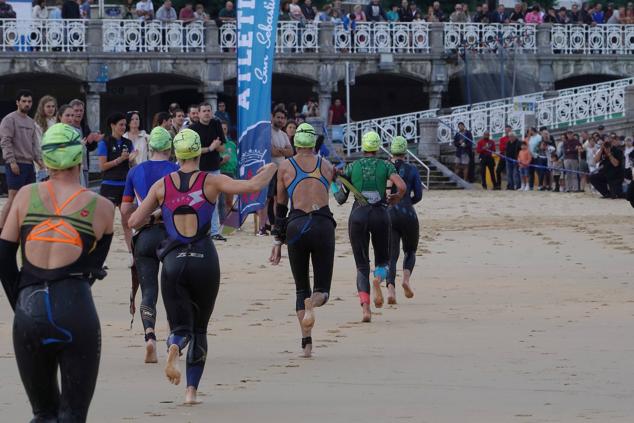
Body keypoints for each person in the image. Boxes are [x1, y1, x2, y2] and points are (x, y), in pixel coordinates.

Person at [128, 129, 277, 405]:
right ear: (198, 152)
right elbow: (252, 187)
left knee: (181, 327)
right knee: (200, 329)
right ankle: (191, 391)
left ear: (176, 153)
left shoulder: (161, 185)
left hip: (173, 261)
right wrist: (271, 167)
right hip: (204, 258)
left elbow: (133, 221)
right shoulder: (212, 180)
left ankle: (174, 345)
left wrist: (161, 211)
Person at [0, 123, 114, 422]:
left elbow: (3, 257)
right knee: (72, 415)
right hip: (75, 307)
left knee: (42, 414)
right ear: (79, 157)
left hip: (28, 309)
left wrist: (21, 301)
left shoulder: (25, 196)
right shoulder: (102, 207)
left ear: (46, 159)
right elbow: (92, 268)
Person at [269, 123, 337, 357]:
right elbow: (338, 196)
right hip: (322, 225)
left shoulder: (285, 167)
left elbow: (280, 206)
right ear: (314, 143)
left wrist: (277, 242)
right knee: (322, 290)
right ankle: (313, 303)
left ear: (296, 142)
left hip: (296, 226)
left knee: (301, 288)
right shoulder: (326, 165)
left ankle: (306, 343)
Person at [121, 127, 178, 363]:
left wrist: (130, 235)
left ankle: (150, 338)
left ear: (150, 147)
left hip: (143, 235)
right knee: (175, 291)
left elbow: (125, 209)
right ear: (170, 148)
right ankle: (175, 338)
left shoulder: (135, 171)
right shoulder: (177, 170)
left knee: (149, 290)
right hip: (172, 236)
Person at [339, 131, 405, 322]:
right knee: (383, 261)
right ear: (377, 147)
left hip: (358, 214)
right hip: (380, 214)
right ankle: (378, 279)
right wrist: (395, 198)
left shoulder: (353, 166)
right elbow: (401, 187)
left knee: (361, 266)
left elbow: (341, 196)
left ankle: (366, 309)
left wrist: (337, 181)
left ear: (363, 146)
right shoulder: (386, 164)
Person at [0, 90, 44, 231]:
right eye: (24, 101)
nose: (27, 104)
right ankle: (1, 227)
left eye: (29, 101)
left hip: (28, 164)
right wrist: (11, 161)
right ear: (18, 102)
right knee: (13, 196)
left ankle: (21, 226)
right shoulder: (9, 119)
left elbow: (33, 146)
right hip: (15, 163)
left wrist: (40, 162)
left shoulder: (31, 122)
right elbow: (5, 142)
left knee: (28, 198)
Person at [386, 136, 421, 305]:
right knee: (410, 251)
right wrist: (407, 202)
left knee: (391, 256)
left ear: (391, 151)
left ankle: (391, 289)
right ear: (405, 152)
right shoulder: (412, 169)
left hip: (390, 214)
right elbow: (419, 195)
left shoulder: (386, 168)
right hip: (409, 214)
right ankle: (406, 279)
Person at [97, 112, 136, 259]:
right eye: (120, 124)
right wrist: (120, 159)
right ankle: (101, 258)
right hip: (109, 185)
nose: (123, 127)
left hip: (125, 185)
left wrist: (132, 159)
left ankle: (133, 255)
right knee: (106, 223)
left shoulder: (128, 142)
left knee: (127, 222)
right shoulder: (104, 142)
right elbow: (102, 166)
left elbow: (132, 162)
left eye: (124, 124)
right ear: (112, 125)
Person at [188, 103, 226, 241]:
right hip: (198, 168)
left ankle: (215, 231)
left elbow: (223, 147)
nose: (206, 113)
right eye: (204, 111)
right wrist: (210, 148)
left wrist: (216, 147)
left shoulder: (216, 124)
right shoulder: (192, 129)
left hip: (215, 168)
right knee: (197, 200)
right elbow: (192, 150)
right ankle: (196, 230)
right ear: (198, 113)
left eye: (209, 111)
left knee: (214, 201)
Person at [69, 99, 100, 188]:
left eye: (81, 111)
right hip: (72, 167)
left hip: (84, 167)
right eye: (76, 111)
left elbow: (90, 148)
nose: (79, 113)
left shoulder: (84, 126)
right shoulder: (67, 127)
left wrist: (94, 140)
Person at [219, 121, 237, 220]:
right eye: (221, 129)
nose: (223, 131)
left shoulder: (232, 144)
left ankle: (230, 223)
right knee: (221, 201)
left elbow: (235, 159)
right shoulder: (217, 145)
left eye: (225, 129)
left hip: (231, 174)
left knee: (230, 201)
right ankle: (223, 221)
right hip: (221, 174)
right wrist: (223, 161)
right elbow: (214, 163)